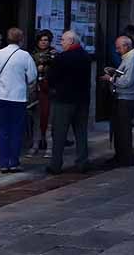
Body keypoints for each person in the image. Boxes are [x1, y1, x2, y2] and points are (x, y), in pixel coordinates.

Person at [0, 27, 37, 173]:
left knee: (3, 129)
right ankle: (13, 162)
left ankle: (3, 163)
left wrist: (0, 81)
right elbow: (32, 76)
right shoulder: (25, 55)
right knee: (16, 130)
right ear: (21, 39)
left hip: (1, 96)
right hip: (18, 97)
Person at [46, 30, 91, 174]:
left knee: (59, 133)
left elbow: (51, 78)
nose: (61, 42)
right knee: (81, 132)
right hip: (82, 100)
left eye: (63, 40)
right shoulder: (85, 56)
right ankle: (82, 162)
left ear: (71, 41)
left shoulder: (61, 58)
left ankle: (56, 164)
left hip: (63, 100)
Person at [101, 35, 134, 167]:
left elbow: (127, 81)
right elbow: (125, 74)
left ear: (126, 46)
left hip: (126, 99)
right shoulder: (129, 58)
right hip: (122, 98)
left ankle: (125, 158)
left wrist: (111, 79)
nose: (117, 51)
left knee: (123, 130)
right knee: (119, 130)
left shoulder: (133, 59)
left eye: (119, 48)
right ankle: (120, 156)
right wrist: (115, 72)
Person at [30, 31, 56, 156]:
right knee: (37, 119)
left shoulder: (54, 54)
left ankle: (49, 146)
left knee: (49, 119)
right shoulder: (32, 54)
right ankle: (35, 144)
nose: (43, 42)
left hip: (49, 90)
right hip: (36, 89)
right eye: (41, 40)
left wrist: (46, 67)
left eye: (46, 40)